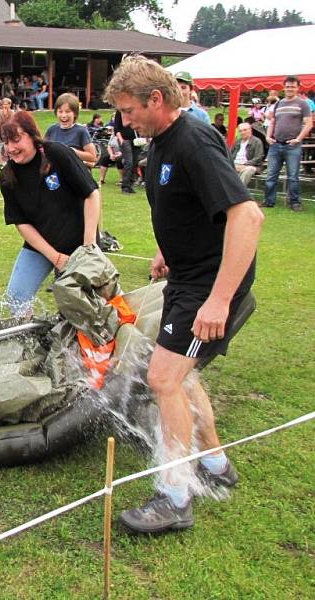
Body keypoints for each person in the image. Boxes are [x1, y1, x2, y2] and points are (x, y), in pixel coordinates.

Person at [104, 55, 264, 534]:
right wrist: (165, 249)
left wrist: (218, 300)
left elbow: (247, 217)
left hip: (208, 285)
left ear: (156, 99)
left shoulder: (192, 139)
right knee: (182, 373)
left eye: (129, 110)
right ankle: (216, 464)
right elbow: (191, 209)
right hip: (186, 276)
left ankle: (175, 497)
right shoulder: (165, 140)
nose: (124, 120)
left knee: (164, 378)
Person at [0, 111, 100, 316]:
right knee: (17, 297)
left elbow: (92, 194)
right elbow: (22, 224)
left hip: (80, 242)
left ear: (31, 135)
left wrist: (89, 245)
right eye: (6, 142)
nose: (11, 148)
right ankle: (32, 343)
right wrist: (55, 257)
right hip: (42, 246)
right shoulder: (8, 176)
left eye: (16, 140)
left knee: (85, 305)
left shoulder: (57, 153)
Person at [263, 75, 312, 211]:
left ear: (298, 88)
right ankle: (269, 201)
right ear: (284, 88)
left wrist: (298, 139)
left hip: (293, 146)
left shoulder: (303, 104)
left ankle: (294, 202)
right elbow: (273, 121)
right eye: (288, 86)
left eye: (293, 86)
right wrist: (268, 136)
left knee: (293, 177)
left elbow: (308, 124)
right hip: (276, 144)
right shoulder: (278, 103)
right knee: (271, 175)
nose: (290, 89)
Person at [44, 93, 98, 166]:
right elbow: (43, 151)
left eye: (67, 111)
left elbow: (92, 157)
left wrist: (72, 152)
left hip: (75, 174)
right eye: (60, 111)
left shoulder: (81, 131)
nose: (63, 115)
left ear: (75, 113)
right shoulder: (51, 130)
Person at [113, 109, 137, 194]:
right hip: (125, 139)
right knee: (129, 162)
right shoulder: (120, 110)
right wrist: (121, 139)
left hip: (136, 140)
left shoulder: (135, 108)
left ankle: (130, 184)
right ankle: (125, 186)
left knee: (134, 162)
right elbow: (116, 127)